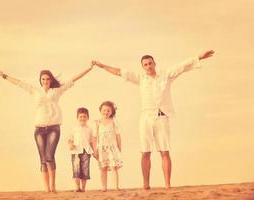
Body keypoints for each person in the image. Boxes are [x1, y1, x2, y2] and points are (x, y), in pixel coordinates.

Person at [92, 50, 214, 190]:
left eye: (150, 63)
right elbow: (120, 71)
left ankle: (167, 185)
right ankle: (146, 184)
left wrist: (198, 57)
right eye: (145, 64)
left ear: (154, 63)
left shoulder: (165, 75)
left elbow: (182, 66)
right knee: (145, 152)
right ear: (142, 67)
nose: (148, 66)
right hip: (146, 117)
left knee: (165, 151)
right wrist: (102, 66)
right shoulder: (140, 78)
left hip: (162, 116)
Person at [0, 64, 93, 192]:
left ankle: (53, 187)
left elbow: (74, 79)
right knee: (42, 159)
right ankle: (47, 189)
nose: (45, 81)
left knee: (49, 156)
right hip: (39, 128)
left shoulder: (57, 91)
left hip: (54, 128)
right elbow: (19, 83)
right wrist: (4, 76)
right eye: (43, 79)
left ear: (51, 80)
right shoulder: (34, 90)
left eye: (47, 79)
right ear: (40, 80)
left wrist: (89, 68)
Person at [93, 101, 122, 192]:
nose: (106, 112)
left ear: (112, 112)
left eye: (108, 110)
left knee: (114, 167)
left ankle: (116, 187)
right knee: (103, 168)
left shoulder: (114, 122)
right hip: (102, 148)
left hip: (112, 148)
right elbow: (94, 137)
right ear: (100, 110)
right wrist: (95, 150)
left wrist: (119, 147)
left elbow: (118, 135)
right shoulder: (97, 122)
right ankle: (104, 187)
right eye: (104, 110)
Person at [68, 107, 93, 192]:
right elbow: (70, 139)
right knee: (76, 170)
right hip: (75, 152)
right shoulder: (74, 128)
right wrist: (70, 144)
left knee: (85, 170)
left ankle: (83, 188)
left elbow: (91, 141)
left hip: (86, 151)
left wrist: (93, 152)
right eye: (81, 116)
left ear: (88, 118)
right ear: (77, 118)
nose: (82, 118)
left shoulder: (89, 129)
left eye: (84, 116)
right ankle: (77, 187)